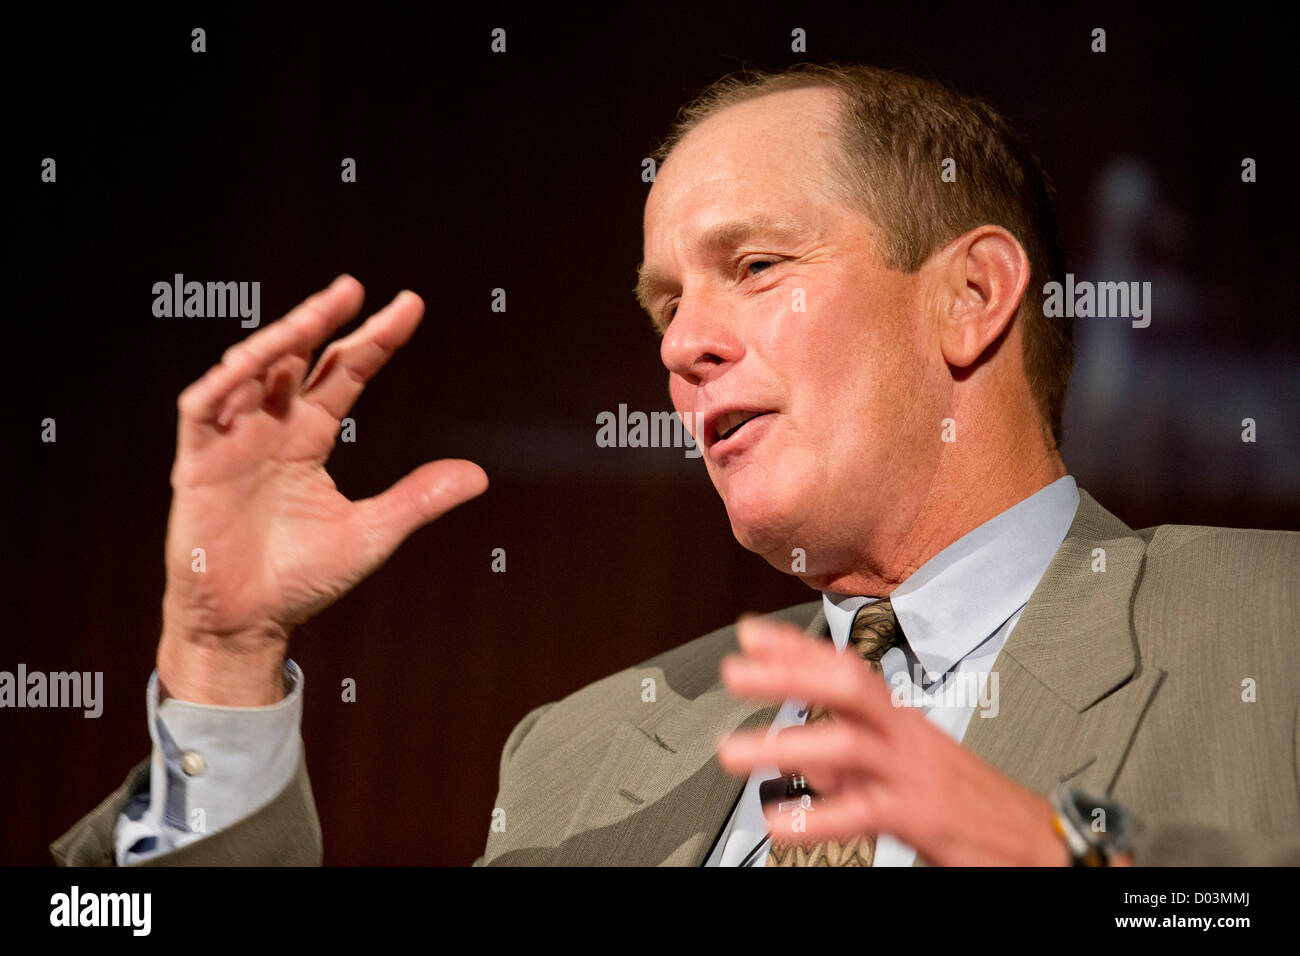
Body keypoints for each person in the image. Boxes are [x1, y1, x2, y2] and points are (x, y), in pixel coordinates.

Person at [52, 64, 1299, 868]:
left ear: (970, 295)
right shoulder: (580, 753)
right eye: (664, 302)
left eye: (756, 265)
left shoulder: (1266, 629)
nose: (682, 341)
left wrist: (1068, 860)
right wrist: (219, 659)